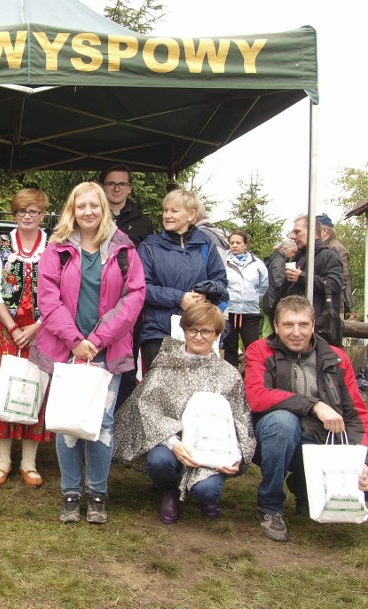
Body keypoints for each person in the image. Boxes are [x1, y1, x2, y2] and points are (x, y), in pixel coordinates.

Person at [31, 182, 145, 524]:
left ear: (104, 209)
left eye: (94, 206)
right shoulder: (56, 249)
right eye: (81, 206)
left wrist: (96, 339)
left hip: (107, 353)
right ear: (72, 210)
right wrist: (75, 340)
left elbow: (134, 298)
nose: (88, 212)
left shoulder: (125, 250)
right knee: (68, 423)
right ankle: (70, 492)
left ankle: (97, 493)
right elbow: (47, 299)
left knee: (102, 424)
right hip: (65, 351)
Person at [114, 302, 256, 524]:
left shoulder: (228, 375)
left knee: (207, 490)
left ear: (217, 334)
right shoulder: (165, 367)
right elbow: (149, 409)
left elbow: (240, 417)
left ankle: (205, 495)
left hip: (210, 445)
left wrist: (235, 452)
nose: (198, 337)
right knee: (159, 462)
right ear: (184, 330)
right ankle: (169, 491)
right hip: (172, 442)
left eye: (206, 331)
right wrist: (173, 443)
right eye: (193, 330)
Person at [245, 295, 368, 542]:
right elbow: (257, 397)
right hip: (270, 439)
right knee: (283, 422)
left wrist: (361, 459)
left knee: (362, 492)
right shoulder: (259, 350)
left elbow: (356, 414)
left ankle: (303, 486)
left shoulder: (337, 358)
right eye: (288, 325)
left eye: (303, 325)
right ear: (276, 326)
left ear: (313, 325)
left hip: (322, 444)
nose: (296, 332)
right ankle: (270, 506)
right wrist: (314, 405)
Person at [0, 188, 51, 488]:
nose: (27, 216)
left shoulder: (55, 245)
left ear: (43, 213)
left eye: (33, 211)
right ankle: (2, 460)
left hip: (43, 329)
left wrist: (37, 327)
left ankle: (29, 463)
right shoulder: (0, 243)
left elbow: (62, 291)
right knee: (3, 387)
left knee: (36, 388)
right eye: (22, 211)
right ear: (14, 213)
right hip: (4, 328)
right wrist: (13, 327)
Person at [138, 190, 228, 371]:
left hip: (198, 330)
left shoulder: (206, 245)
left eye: (174, 211)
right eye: (165, 211)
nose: (167, 216)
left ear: (191, 215)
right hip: (158, 331)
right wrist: (179, 298)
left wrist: (206, 292)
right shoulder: (149, 246)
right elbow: (141, 288)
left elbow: (221, 283)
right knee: (158, 392)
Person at [99, 164, 154, 409]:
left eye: (122, 184)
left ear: (130, 188)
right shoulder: (92, 214)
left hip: (129, 304)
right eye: (111, 183)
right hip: (94, 298)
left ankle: (120, 424)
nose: (116, 188)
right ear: (103, 186)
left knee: (125, 363)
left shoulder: (142, 222)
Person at [272, 215, 343, 345]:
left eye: (297, 231)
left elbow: (334, 284)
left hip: (320, 330)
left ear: (311, 231)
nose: (293, 236)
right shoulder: (299, 256)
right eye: (293, 232)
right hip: (294, 327)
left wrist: (302, 277)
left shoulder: (328, 255)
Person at [223, 230, 268, 369]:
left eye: (238, 243)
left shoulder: (257, 264)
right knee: (230, 348)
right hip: (229, 311)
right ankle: (231, 380)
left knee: (252, 346)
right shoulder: (223, 261)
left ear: (245, 245)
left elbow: (264, 285)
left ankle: (252, 377)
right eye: (232, 243)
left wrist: (250, 297)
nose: (235, 245)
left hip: (249, 312)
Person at [317, 213, 353, 315]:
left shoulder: (338, 249)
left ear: (324, 230)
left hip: (332, 307)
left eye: (315, 229)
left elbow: (341, 280)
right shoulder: (318, 248)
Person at [262, 238, 297, 319]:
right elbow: (279, 282)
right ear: (285, 249)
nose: (293, 255)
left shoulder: (274, 258)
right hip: (274, 301)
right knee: (270, 329)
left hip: (270, 300)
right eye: (293, 252)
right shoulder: (279, 261)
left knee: (267, 328)